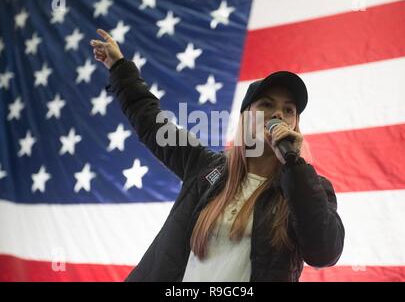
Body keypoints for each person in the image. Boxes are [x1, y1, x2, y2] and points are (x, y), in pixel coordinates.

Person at [90, 29, 345, 282]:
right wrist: (120, 67)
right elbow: (151, 122)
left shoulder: (310, 188)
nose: (278, 114)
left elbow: (323, 252)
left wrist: (294, 165)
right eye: (266, 104)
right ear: (246, 118)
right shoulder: (205, 167)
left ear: (295, 124)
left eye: (288, 110)